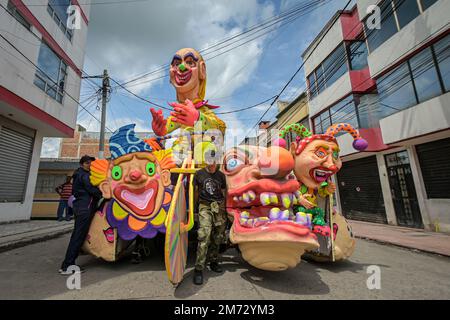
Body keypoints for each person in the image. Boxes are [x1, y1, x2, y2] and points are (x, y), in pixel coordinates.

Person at [59, 155, 102, 275]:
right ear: (82, 164)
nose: (90, 165)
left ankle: (68, 262)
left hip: (80, 207)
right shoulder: (84, 175)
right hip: (84, 208)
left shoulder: (78, 174)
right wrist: (104, 192)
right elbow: (92, 190)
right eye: (88, 163)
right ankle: (67, 265)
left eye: (92, 163)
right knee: (78, 236)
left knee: (78, 235)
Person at [192, 161, 227, 285]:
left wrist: (224, 209)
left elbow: (224, 193)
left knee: (218, 236)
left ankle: (213, 261)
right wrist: (194, 208)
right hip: (205, 206)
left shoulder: (221, 176)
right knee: (204, 235)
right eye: (209, 161)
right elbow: (196, 191)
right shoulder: (199, 174)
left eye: (214, 161)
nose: (211, 164)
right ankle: (198, 269)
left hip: (218, 207)